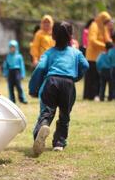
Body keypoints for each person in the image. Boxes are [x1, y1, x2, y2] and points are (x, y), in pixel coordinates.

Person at [28, 22, 89, 157]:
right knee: (64, 114)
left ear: (53, 36)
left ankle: (40, 130)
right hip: (68, 83)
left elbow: (40, 68)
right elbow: (85, 65)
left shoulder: (49, 53)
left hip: (51, 82)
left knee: (47, 112)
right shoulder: (76, 53)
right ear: (71, 36)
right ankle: (59, 143)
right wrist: (76, 77)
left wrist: (33, 88)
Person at [83, 11, 112, 101]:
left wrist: (111, 44)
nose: (107, 23)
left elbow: (107, 38)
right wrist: (104, 46)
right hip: (92, 56)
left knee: (99, 77)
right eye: (105, 21)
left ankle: (97, 94)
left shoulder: (104, 27)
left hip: (100, 56)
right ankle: (89, 95)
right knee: (92, 76)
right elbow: (92, 40)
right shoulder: (94, 25)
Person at [3, 40, 27, 104]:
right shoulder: (8, 56)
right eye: (11, 47)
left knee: (19, 86)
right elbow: (5, 66)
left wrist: (23, 74)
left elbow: (22, 66)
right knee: (10, 87)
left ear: (16, 47)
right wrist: (5, 74)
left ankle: (22, 99)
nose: (12, 49)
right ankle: (12, 100)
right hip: (10, 72)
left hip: (17, 72)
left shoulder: (19, 56)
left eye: (14, 47)